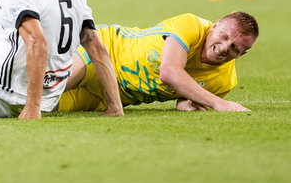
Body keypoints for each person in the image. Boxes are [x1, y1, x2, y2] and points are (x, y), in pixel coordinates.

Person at [59, 11, 258, 112]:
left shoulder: (224, 83)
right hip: (105, 53)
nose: (224, 47)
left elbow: (186, 98)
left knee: (39, 105)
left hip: (108, 97)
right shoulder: (191, 25)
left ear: (242, 54)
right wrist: (218, 103)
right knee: (49, 87)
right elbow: (169, 72)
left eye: (234, 48)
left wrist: (185, 105)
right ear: (214, 26)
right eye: (223, 36)